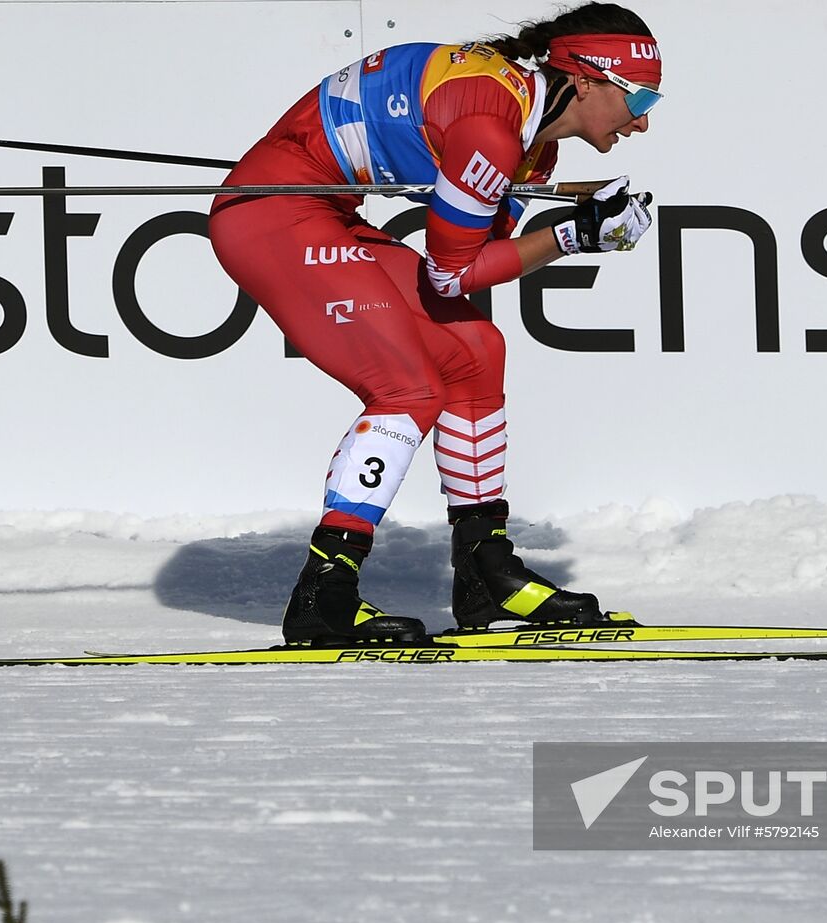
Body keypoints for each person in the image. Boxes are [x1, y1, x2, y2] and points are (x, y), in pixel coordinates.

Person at [208, 2, 662, 646]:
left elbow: (474, 250)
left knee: (475, 348)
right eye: (640, 96)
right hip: (272, 215)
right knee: (407, 387)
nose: (643, 121)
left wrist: (566, 218)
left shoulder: (528, 146)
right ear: (587, 79)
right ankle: (324, 592)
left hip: (325, 207)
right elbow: (453, 273)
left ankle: (485, 570)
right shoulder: (495, 130)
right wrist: (572, 236)